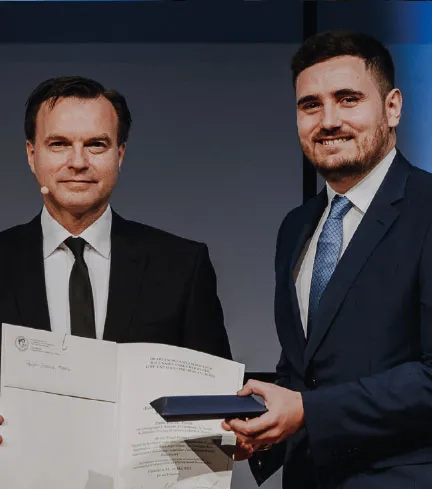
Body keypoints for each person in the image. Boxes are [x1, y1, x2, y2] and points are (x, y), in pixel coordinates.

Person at [223, 30, 432, 488]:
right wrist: (262, 430)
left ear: (392, 107)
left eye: (348, 99)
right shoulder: (296, 226)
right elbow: (304, 369)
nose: (329, 120)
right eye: (310, 105)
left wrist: (307, 412)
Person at [0, 76, 232, 442]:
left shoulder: (182, 266)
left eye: (96, 145)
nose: (78, 162)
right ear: (32, 155)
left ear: (119, 154)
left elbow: (216, 405)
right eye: (59, 144)